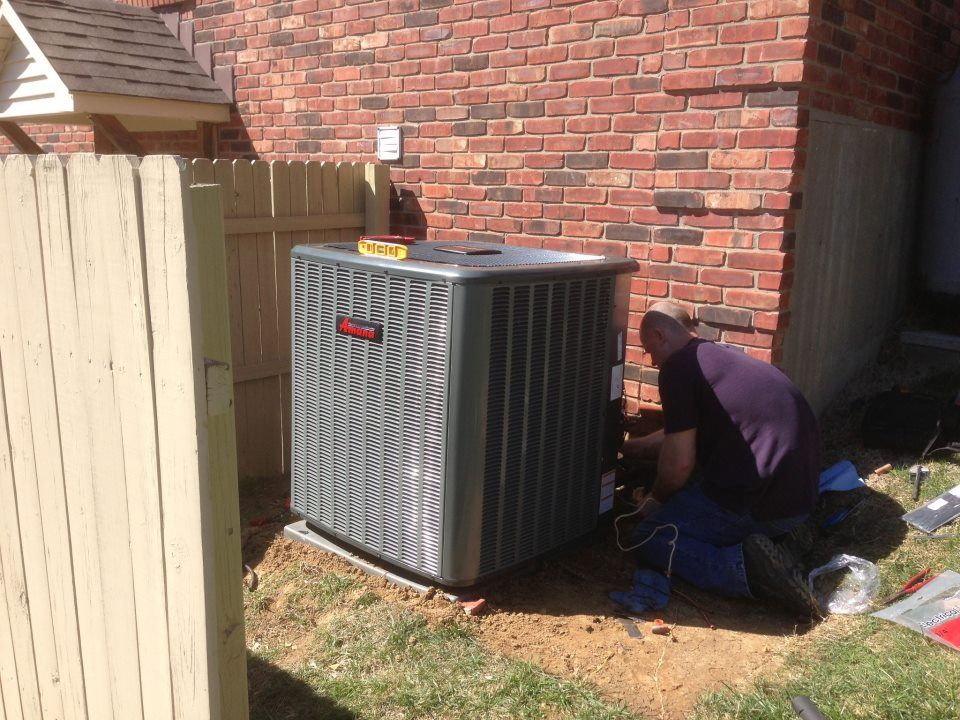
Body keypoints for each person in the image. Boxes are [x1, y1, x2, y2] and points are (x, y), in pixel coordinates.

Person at [621, 302, 822, 616]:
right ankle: (783, 541)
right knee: (697, 490)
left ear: (661, 336)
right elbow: (677, 435)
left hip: (759, 503)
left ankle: (749, 573)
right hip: (798, 500)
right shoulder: (721, 357)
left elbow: (679, 465)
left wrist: (654, 501)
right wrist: (630, 449)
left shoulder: (678, 367)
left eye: (649, 351)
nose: (652, 361)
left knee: (649, 537)